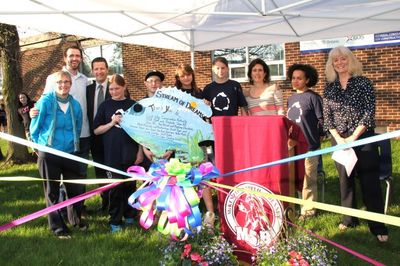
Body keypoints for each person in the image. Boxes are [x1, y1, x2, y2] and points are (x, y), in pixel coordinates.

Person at [323, 46, 388, 242]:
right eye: (336, 60)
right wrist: (339, 139)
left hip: (363, 138)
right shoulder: (330, 87)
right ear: (331, 64)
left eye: (343, 59)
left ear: (350, 61)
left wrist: (352, 139)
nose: (340, 63)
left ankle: (378, 227)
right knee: (345, 181)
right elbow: (327, 118)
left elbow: (369, 113)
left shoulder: (364, 83)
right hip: (339, 139)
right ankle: (349, 219)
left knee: (369, 182)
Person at [30, 71, 84, 239]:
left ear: (70, 84)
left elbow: (78, 125)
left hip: (70, 153)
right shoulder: (45, 102)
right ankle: (57, 227)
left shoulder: (75, 105)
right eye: (60, 82)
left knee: (75, 189)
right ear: (55, 84)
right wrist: (41, 148)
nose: (64, 85)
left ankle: (75, 220)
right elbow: (35, 127)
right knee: (52, 191)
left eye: (67, 82)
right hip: (49, 153)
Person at [93, 74, 143, 232]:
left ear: (124, 87)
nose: (114, 91)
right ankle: (115, 219)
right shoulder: (105, 106)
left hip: (130, 152)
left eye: (117, 88)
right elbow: (96, 130)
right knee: (115, 188)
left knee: (129, 185)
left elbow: (141, 132)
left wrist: (140, 153)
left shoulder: (133, 105)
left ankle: (130, 215)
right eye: (111, 89)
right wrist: (112, 122)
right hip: (112, 154)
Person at [174, 63, 215, 228]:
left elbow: (207, 118)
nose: (186, 78)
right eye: (182, 75)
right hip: (182, 140)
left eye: (188, 74)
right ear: (178, 78)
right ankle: (187, 213)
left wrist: (207, 107)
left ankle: (210, 214)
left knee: (202, 175)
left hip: (199, 141)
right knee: (185, 176)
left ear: (192, 75)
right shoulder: (174, 95)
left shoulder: (200, 93)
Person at [286, 63, 323, 220]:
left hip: (310, 146)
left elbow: (322, 120)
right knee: (295, 178)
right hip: (293, 146)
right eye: (293, 78)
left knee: (308, 179)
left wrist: (319, 137)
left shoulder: (314, 98)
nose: (296, 81)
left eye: (299, 78)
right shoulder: (291, 98)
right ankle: (294, 208)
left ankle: (308, 211)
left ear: (307, 80)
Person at [86, 57, 111, 212]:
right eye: (96, 69)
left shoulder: (115, 87)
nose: (99, 71)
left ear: (107, 69)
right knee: (100, 172)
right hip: (95, 137)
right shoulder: (88, 90)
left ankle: (117, 201)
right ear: (92, 71)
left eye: (102, 68)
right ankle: (105, 202)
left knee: (113, 170)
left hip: (112, 137)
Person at [142, 70, 174, 161]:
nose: (154, 83)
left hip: (168, 151)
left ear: (161, 83)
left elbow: (175, 127)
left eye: (157, 81)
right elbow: (138, 130)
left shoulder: (170, 104)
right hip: (149, 153)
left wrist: (170, 150)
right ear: (145, 83)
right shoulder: (141, 105)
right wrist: (145, 150)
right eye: (150, 81)